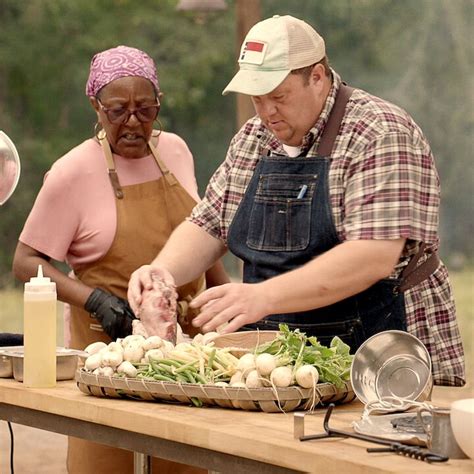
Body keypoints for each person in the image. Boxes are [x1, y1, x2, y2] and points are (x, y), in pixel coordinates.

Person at [129, 15, 465, 388]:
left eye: (278, 96)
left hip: (381, 352)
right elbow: (209, 223)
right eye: (257, 98)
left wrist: (263, 297)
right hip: (280, 358)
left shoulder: (379, 132)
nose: (266, 112)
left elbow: (374, 254)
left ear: (317, 77)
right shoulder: (254, 138)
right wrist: (161, 273)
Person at [13, 45, 227, 474]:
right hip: (106, 354)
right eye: (117, 111)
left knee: (185, 459)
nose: (133, 122)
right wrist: (93, 300)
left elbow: (204, 234)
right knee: (105, 461)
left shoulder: (178, 152)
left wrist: (222, 299)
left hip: (184, 354)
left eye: (145, 109)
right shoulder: (71, 172)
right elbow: (25, 261)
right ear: (95, 106)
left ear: (158, 104)